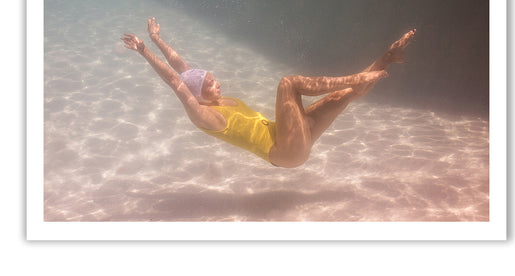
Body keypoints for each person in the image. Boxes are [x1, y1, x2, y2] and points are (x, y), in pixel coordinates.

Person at [121, 18, 416, 168]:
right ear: (197, 95)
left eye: (213, 77)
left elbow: (182, 69)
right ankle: (357, 76)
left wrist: (157, 38)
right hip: (284, 151)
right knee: (288, 83)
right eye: (209, 83)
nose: (216, 83)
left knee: (342, 97)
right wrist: (145, 51)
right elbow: (176, 82)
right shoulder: (204, 115)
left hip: (290, 139)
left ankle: (389, 57)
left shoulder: (212, 96)